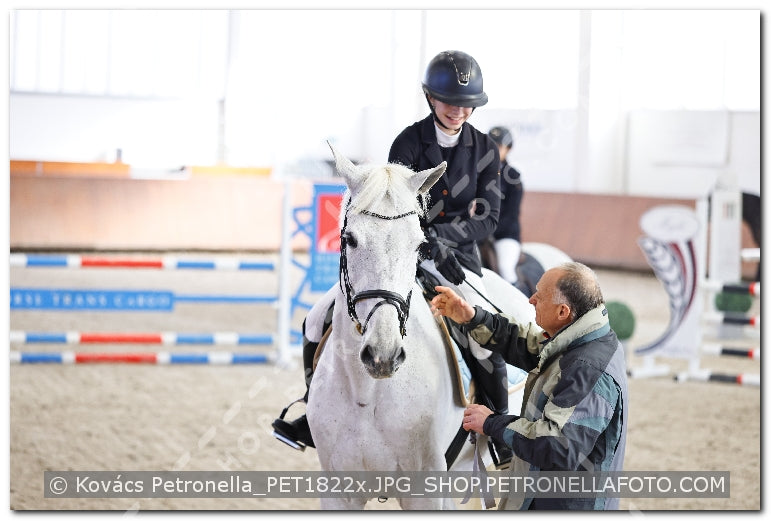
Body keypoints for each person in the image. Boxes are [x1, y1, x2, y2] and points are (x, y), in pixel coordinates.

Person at [273, 50, 513, 466]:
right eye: (449, 101)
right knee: (315, 319)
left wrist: (442, 239)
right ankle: (312, 411)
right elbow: (389, 202)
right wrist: (421, 242)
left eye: (466, 104)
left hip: (457, 261)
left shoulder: (486, 150)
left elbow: (488, 217)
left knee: (482, 334)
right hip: (401, 255)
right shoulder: (408, 141)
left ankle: (498, 426)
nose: (458, 110)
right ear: (431, 97)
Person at [430, 261, 628, 510]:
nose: (531, 300)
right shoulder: (582, 338)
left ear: (563, 312)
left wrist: (491, 423)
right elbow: (524, 343)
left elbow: (558, 446)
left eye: (540, 296)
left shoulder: (587, 368)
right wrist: (471, 317)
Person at [478, 126, 525, 290]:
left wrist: (487, 230)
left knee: (505, 268)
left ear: (508, 149)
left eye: (498, 146)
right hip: (477, 233)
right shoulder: (476, 173)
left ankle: (519, 301)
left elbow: (511, 214)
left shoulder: (513, 177)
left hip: (504, 235)